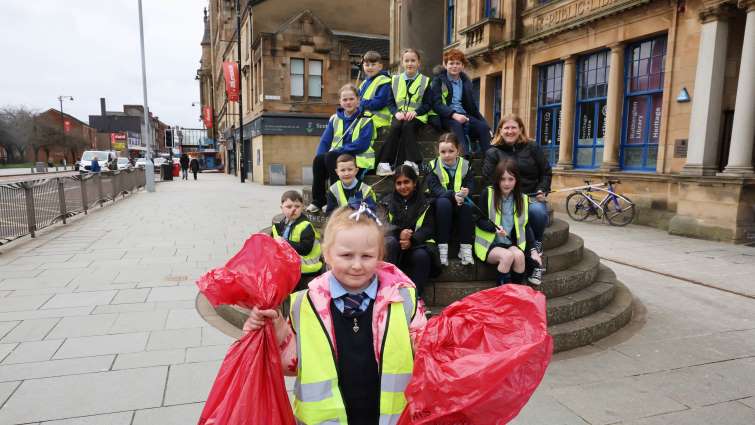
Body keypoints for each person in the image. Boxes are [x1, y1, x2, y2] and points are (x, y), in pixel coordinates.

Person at [243, 205, 427, 425]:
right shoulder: (304, 304)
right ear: (327, 254)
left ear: (380, 255)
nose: (357, 265)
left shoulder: (403, 299)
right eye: (346, 255)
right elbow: (291, 365)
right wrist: (276, 328)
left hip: (392, 419)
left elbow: (426, 354)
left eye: (367, 256)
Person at [482, 114, 552, 285]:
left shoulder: (532, 147)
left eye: (514, 127)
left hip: (531, 196)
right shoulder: (493, 151)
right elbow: (488, 179)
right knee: (520, 216)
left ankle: (535, 246)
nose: (510, 131)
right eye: (506, 127)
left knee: (536, 211)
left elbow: (546, 172)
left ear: (521, 129)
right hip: (507, 198)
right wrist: (507, 193)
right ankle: (532, 251)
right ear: (500, 130)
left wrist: (542, 190)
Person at [307, 84, 376, 213]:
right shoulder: (334, 119)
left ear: (358, 100)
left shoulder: (366, 118)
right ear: (340, 101)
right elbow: (325, 141)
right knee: (319, 159)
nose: (348, 102)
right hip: (337, 157)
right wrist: (319, 157)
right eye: (345, 99)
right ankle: (318, 201)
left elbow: (362, 144)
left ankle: (334, 200)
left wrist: (340, 151)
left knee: (332, 156)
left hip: (359, 158)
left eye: (351, 99)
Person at [475, 159, 543, 286]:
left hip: (508, 242)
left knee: (520, 256)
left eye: (511, 179)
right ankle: (503, 296)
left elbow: (525, 226)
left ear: (516, 180)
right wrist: (493, 228)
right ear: (497, 179)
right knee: (507, 256)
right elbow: (479, 220)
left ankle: (515, 294)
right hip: (488, 244)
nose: (506, 183)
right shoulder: (488, 193)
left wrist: (533, 250)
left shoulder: (522, 199)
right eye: (502, 179)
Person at [375, 48, 435, 176]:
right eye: (406, 60)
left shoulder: (425, 81)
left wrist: (417, 112)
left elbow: (428, 104)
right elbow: (390, 102)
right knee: (396, 126)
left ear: (419, 63)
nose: (410, 63)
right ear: (402, 63)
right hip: (399, 115)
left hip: (417, 117)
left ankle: (411, 161)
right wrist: (396, 112)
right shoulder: (395, 80)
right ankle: (384, 164)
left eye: (413, 60)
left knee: (408, 126)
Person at [384, 165, 440, 299]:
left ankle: (415, 297)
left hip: (416, 245)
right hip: (395, 247)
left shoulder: (425, 201)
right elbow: (382, 225)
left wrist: (412, 240)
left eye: (406, 182)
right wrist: (399, 234)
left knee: (422, 256)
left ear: (414, 183)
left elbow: (429, 228)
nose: (403, 186)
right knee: (389, 243)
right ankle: (389, 290)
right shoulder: (386, 201)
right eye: (399, 183)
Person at [425, 133, 475, 266]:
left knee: (467, 207)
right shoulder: (432, 165)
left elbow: (470, 182)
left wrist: (467, 191)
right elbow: (435, 188)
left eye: (451, 151)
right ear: (438, 152)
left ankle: (465, 249)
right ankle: (442, 249)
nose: (447, 155)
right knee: (443, 203)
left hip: (460, 201)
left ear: (458, 150)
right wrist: (453, 195)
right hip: (439, 204)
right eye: (443, 152)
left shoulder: (465, 165)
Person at [430, 48, 491, 155]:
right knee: (457, 127)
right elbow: (436, 104)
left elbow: (472, 108)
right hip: (446, 116)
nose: (454, 66)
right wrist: (454, 115)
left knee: (483, 128)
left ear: (463, 66)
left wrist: (486, 125)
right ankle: (464, 157)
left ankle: (490, 160)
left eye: (458, 63)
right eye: (451, 63)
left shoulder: (466, 82)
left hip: (463, 115)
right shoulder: (438, 80)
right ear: (445, 65)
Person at [272, 190, 323, 284]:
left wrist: (284, 242)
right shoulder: (285, 222)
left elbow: (305, 249)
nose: (293, 210)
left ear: (302, 207)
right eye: (289, 207)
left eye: (297, 206)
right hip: (293, 266)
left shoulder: (306, 226)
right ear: (281, 208)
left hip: (307, 269)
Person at [358, 50, 393, 131]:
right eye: (367, 65)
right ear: (363, 66)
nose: (370, 67)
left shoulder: (385, 81)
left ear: (380, 66)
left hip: (379, 120)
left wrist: (360, 103)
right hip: (365, 117)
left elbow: (379, 103)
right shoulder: (363, 83)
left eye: (373, 65)